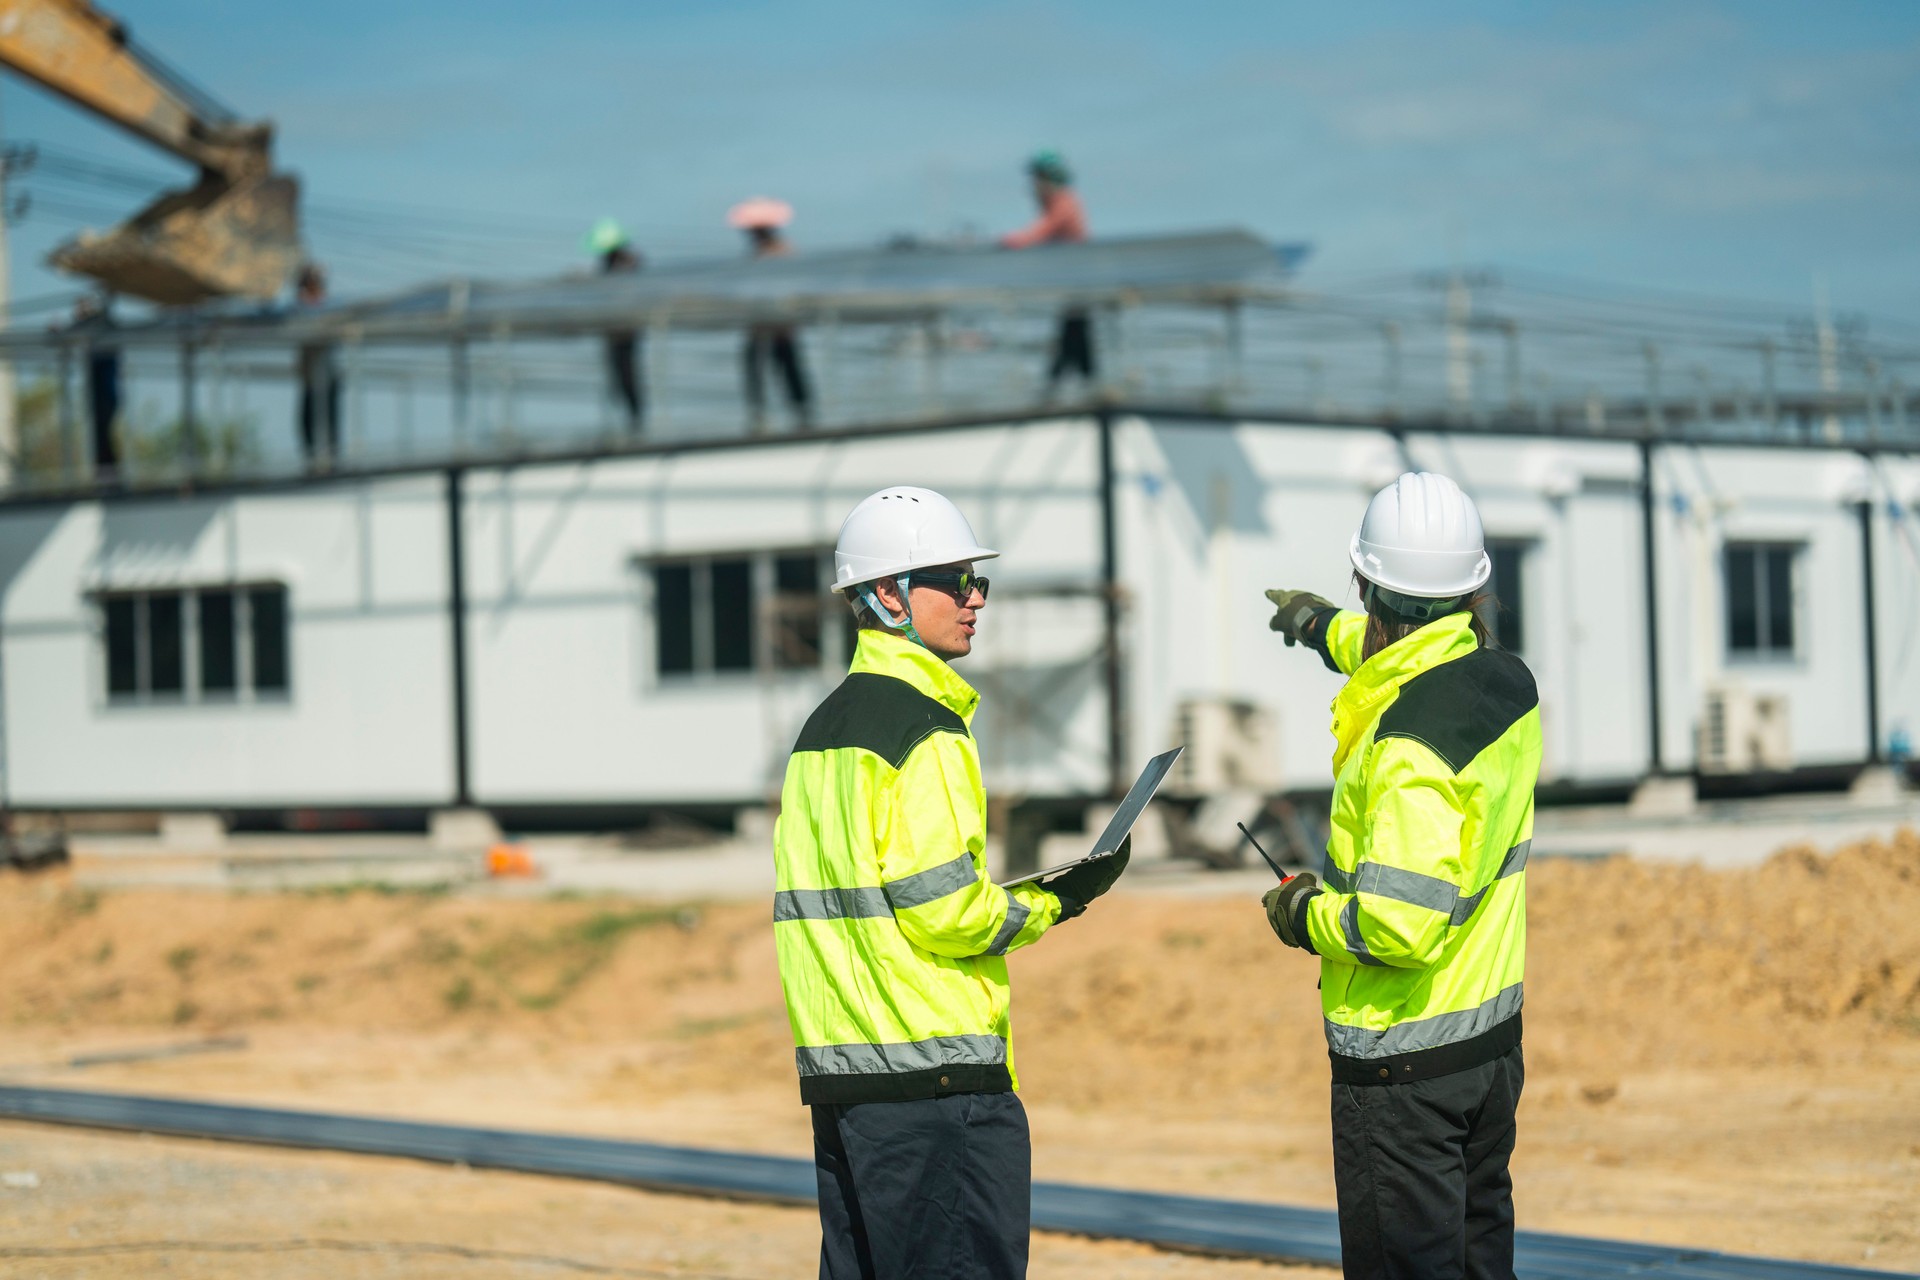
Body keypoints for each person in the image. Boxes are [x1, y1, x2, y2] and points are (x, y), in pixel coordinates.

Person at [774, 485, 1131, 1279]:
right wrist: (1059, 898)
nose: (975, 599)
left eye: (979, 581)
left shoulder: (820, 733)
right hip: (936, 1082)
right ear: (888, 597)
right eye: (954, 580)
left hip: (846, 1078)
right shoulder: (924, 729)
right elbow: (946, 913)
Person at [1261, 471, 1540, 1280]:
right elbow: (1403, 645)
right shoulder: (1503, 685)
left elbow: (1397, 925)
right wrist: (1320, 628)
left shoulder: (1405, 750)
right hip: (1486, 1055)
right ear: (1475, 587)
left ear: (1365, 580)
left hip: (1403, 1069)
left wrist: (1302, 912)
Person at [1000, 150, 1094, 398]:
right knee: (1075, 334)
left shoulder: (1064, 201)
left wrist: (1015, 241)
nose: (1033, 185)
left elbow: (1043, 229)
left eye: (1037, 178)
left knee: (1074, 334)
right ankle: (1075, 386)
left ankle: (1057, 388)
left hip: (1077, 282)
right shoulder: (1059, 202)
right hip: (1070, 283)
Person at [729, 196, 812, 432]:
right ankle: (760, 411)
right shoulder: (756, 254)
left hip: (780, 322)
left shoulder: (781, 251)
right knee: (757, 365)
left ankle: (800, 411)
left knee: (787, 365)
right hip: (760, 322)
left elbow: (792, 285)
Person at [585, 217, 645, 433]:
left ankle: (635, 419)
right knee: (616, 377)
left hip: (627, 331)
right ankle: (628, 419)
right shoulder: (605, 268)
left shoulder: (629, 265)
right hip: (612, 332)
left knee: (628, 375)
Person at [293, 264, 340, 469]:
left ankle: (332, 462)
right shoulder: (300, 310)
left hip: (326, 375)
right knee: (307, 421)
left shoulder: (327, 308)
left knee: (328, 421)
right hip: (310, 377)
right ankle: (312, 462)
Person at [70, 295, 120, 481]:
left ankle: (108, 470)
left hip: (106, 392)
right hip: (99, 392)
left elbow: (107, 318)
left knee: (102, 429)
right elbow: (70, 331)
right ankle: (106, 470)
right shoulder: (89, 327)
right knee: (99, 431)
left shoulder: (101, 324)